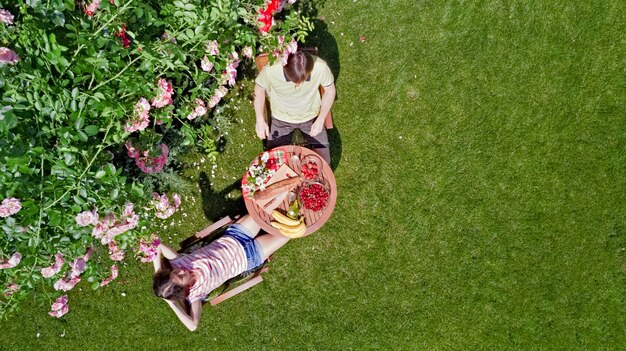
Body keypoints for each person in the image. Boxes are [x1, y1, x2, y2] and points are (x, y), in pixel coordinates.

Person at [152, 215, 289, 331]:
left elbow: (156, 245)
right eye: (181, 277)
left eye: (175, 272)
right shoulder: (195, 295)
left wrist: (158, 272)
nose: (181, 270)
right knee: (288, 232)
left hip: (236, 236)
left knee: (263, 209)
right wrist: (171, 304)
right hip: (250, 256)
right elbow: (193, 326)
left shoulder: (178, 262)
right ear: (183, 289)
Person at [254, 50, 336, 164]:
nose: (299, 85)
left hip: (311, 117)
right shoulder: (271, 70)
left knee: (323, 162)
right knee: (274, 164)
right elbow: (258, 90)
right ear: (284, 68)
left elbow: (330, 91)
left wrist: (321, 119)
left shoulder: (320, 67)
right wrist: (260, 120)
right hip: (281, 118)